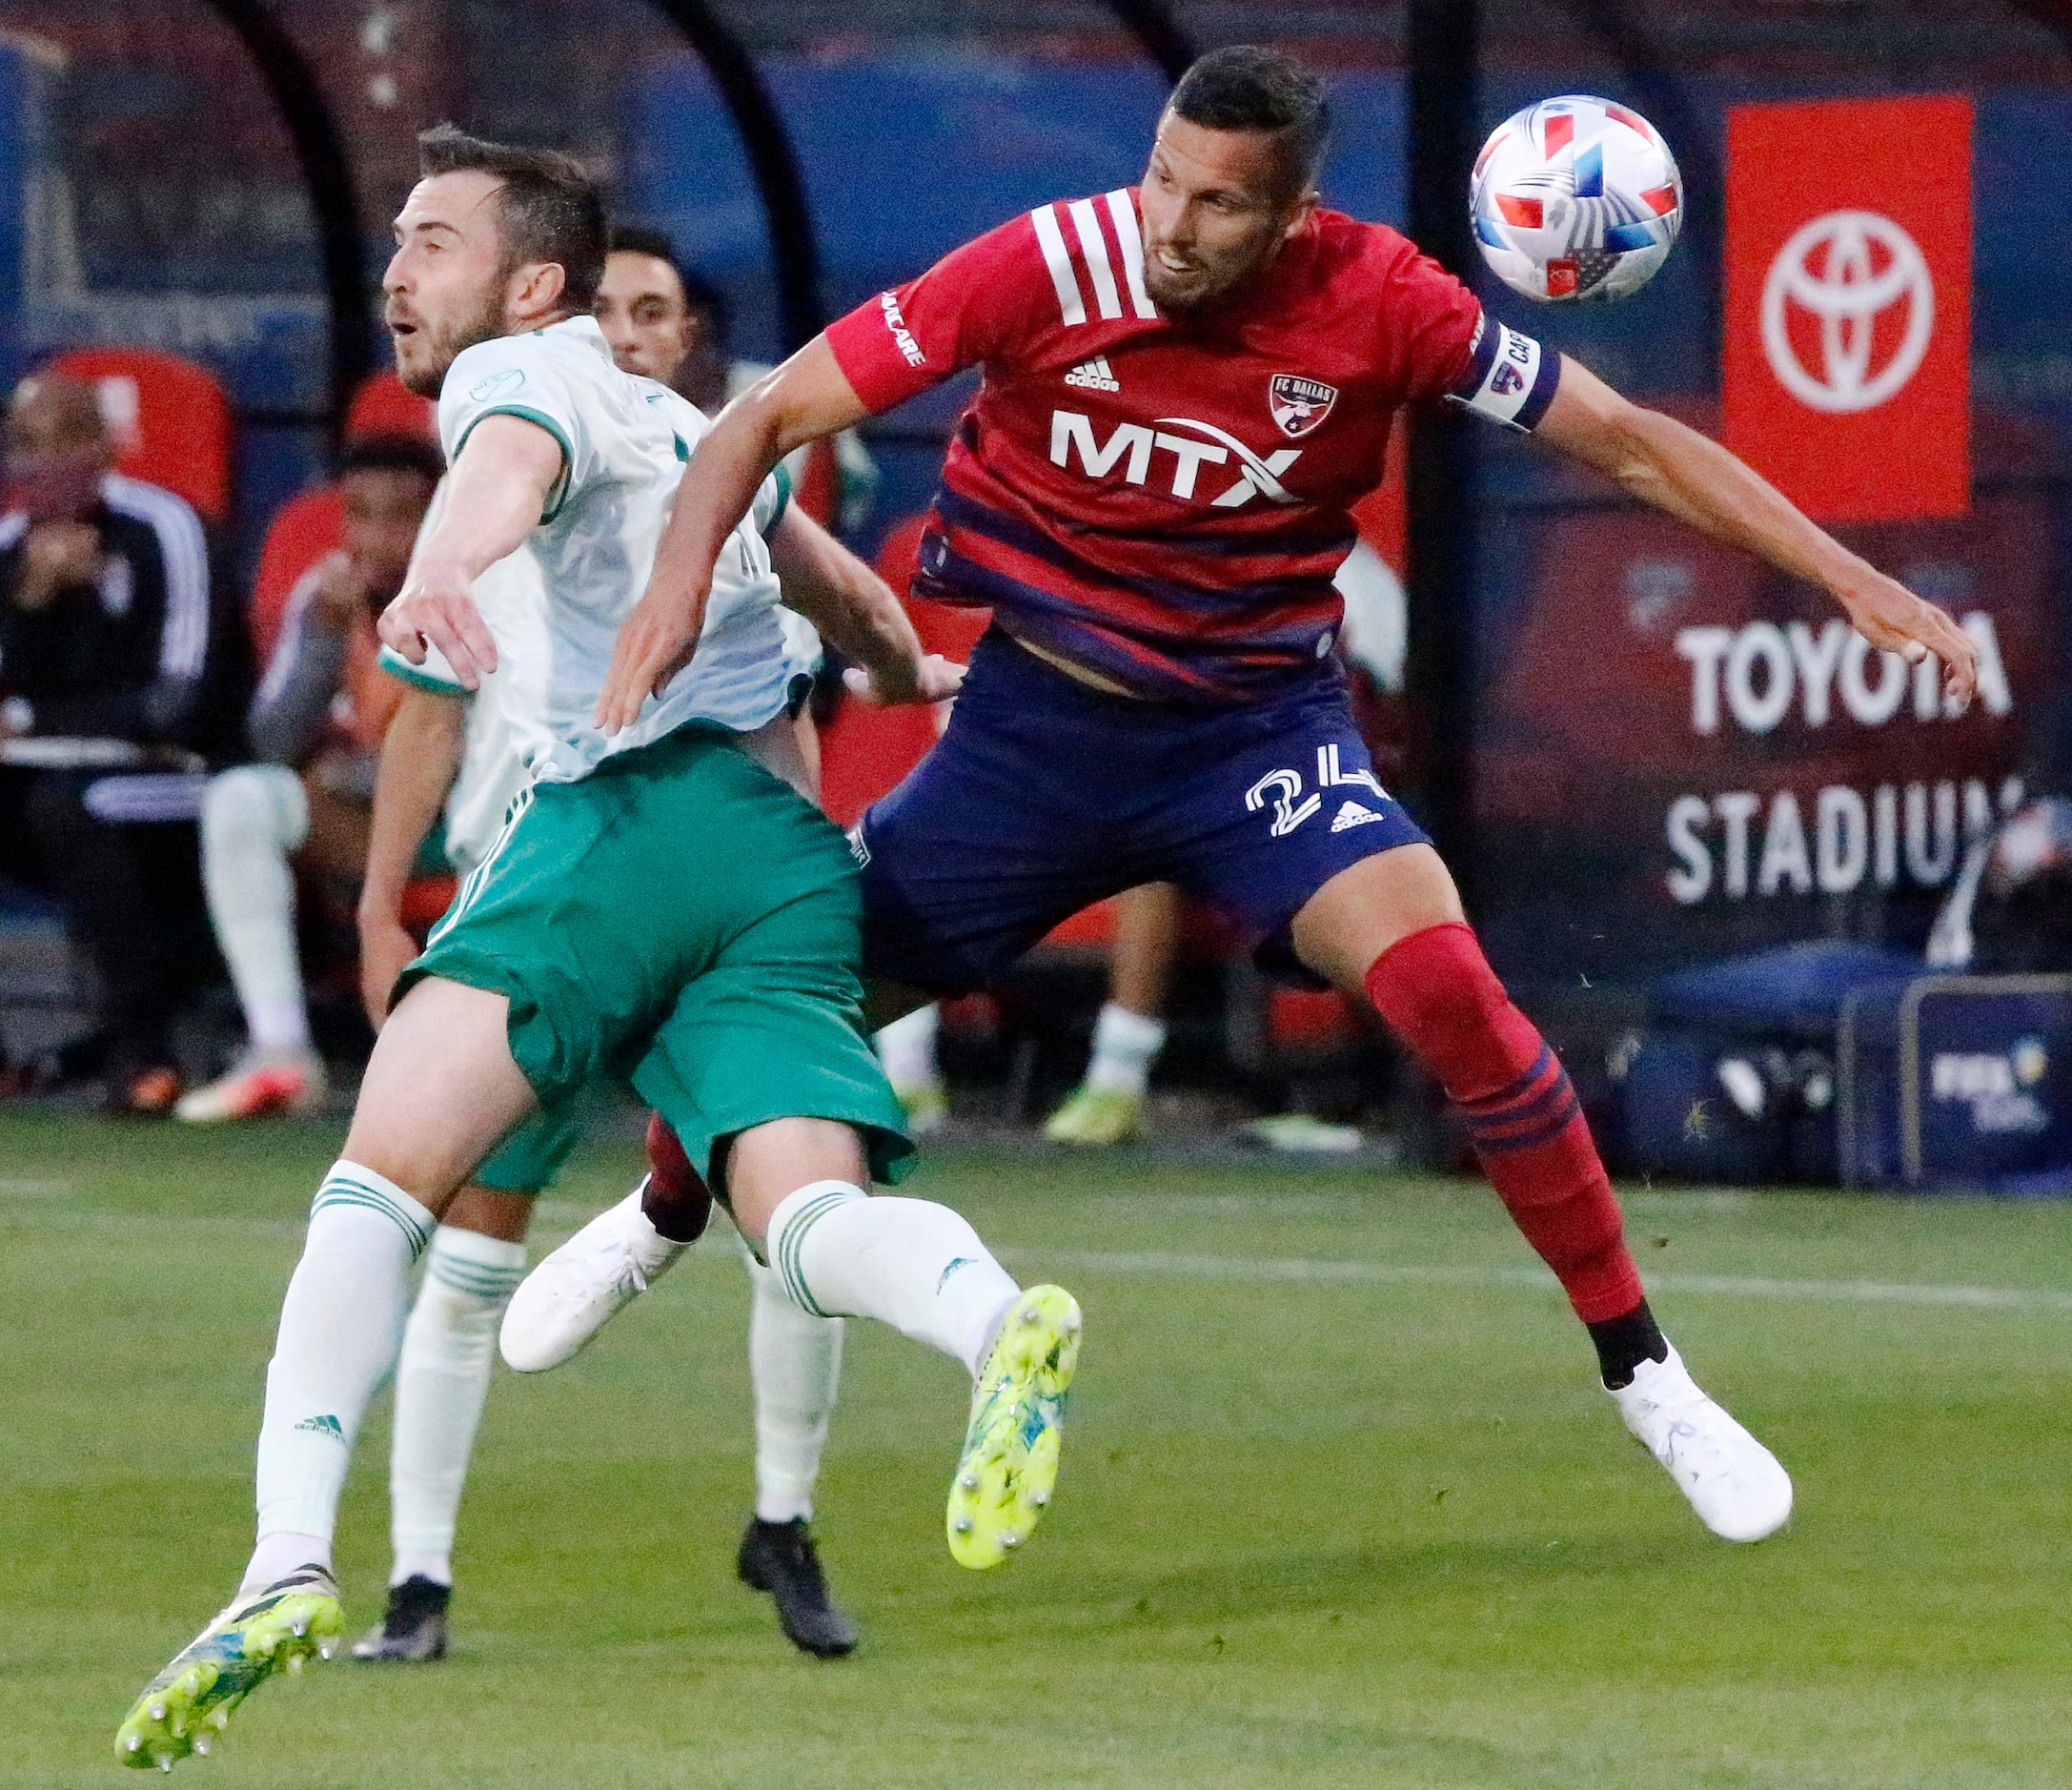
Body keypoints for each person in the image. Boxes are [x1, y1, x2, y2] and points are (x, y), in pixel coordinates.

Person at [587, 46, 1982, 1549]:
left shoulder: (1387, 301)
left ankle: (1649, 1376)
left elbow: (1631, 446)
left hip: (1253, 741)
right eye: (1161, 182)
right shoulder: (1044, 263)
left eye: (1219, 207)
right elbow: (756, 421)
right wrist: (672, 592)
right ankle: (660, 1210)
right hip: (1030, 742)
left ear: (1295, 212)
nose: (1173, 227)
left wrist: (1851, 578)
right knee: (773, 1002)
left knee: (1458, 997)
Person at [116, 125, 1079, 1773]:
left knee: (374, 1191)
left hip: (614, 832)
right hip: (777, 864)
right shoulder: (700, 423)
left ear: (531, 281)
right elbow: (824, 577)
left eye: (431, 239)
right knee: (807, 1219)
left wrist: (431, 573)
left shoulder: (520, 382)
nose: (398, 269)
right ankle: (997, 1321)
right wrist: (913, 673)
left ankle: (286, 1559)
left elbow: (491, 482)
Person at [349, 231, 884, 1663]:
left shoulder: (732, 484)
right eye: (611, 308)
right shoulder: (517, 469)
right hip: (538, 900)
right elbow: (426, 707)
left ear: (692, 337)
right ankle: (417, 1581)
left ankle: (782, 1516)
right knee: (468, 1246)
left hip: (706, 900)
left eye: (656, 312)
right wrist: (376, 900)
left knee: (793, 1215)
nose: (631, 332)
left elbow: (812, 677)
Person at [176, 434, 446, 1123]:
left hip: (481, 830)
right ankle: (281, 1050)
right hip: (381, 827)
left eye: (401, 516)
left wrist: (348, 772)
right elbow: (271, 741)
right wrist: (324, 640)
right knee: (242, 797)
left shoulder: (484, 593)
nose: (377, 537)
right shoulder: (330, 597)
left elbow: (458, 759)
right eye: (360, 515)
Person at [0, 372, 230, 1112]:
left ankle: (143, 1051)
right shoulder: (9, 548)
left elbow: (182, 698)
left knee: (74, 808)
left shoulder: (166, 528)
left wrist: (39, 723)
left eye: (68, 439)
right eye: (28, 445)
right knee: (53, 802)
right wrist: (33, 602)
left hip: (183, 775)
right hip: (45, 777)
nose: (47, 463)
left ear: (104, 447)